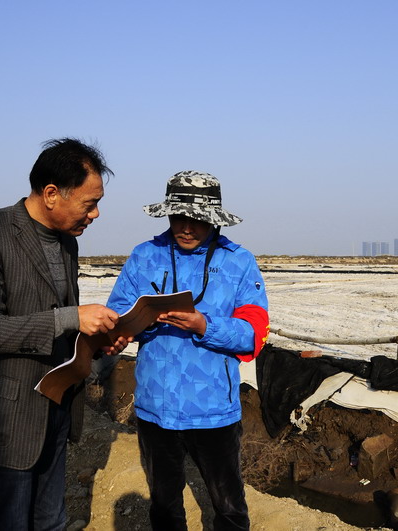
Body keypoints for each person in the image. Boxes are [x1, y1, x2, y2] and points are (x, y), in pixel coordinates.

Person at [0, 138, 131, 531]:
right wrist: (72, 317)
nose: (96, 214)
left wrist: (98, 343)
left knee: (51, 523)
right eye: (89, 203)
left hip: (55, 409)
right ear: (51, 194)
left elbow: (63, 327)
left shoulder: (67, 242)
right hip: (5, 419)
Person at [107, 171, 269, 531]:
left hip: (214, 411)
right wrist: (134, 325)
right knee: (164, 507)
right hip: (155, 409)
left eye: (197, 219)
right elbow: (116, 316)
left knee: (229, 508)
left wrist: (204, 326)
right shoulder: (144, 256)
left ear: (214, 219)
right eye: (179, 217)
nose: (187, 227)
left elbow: (253, 334)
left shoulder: (239, 262)